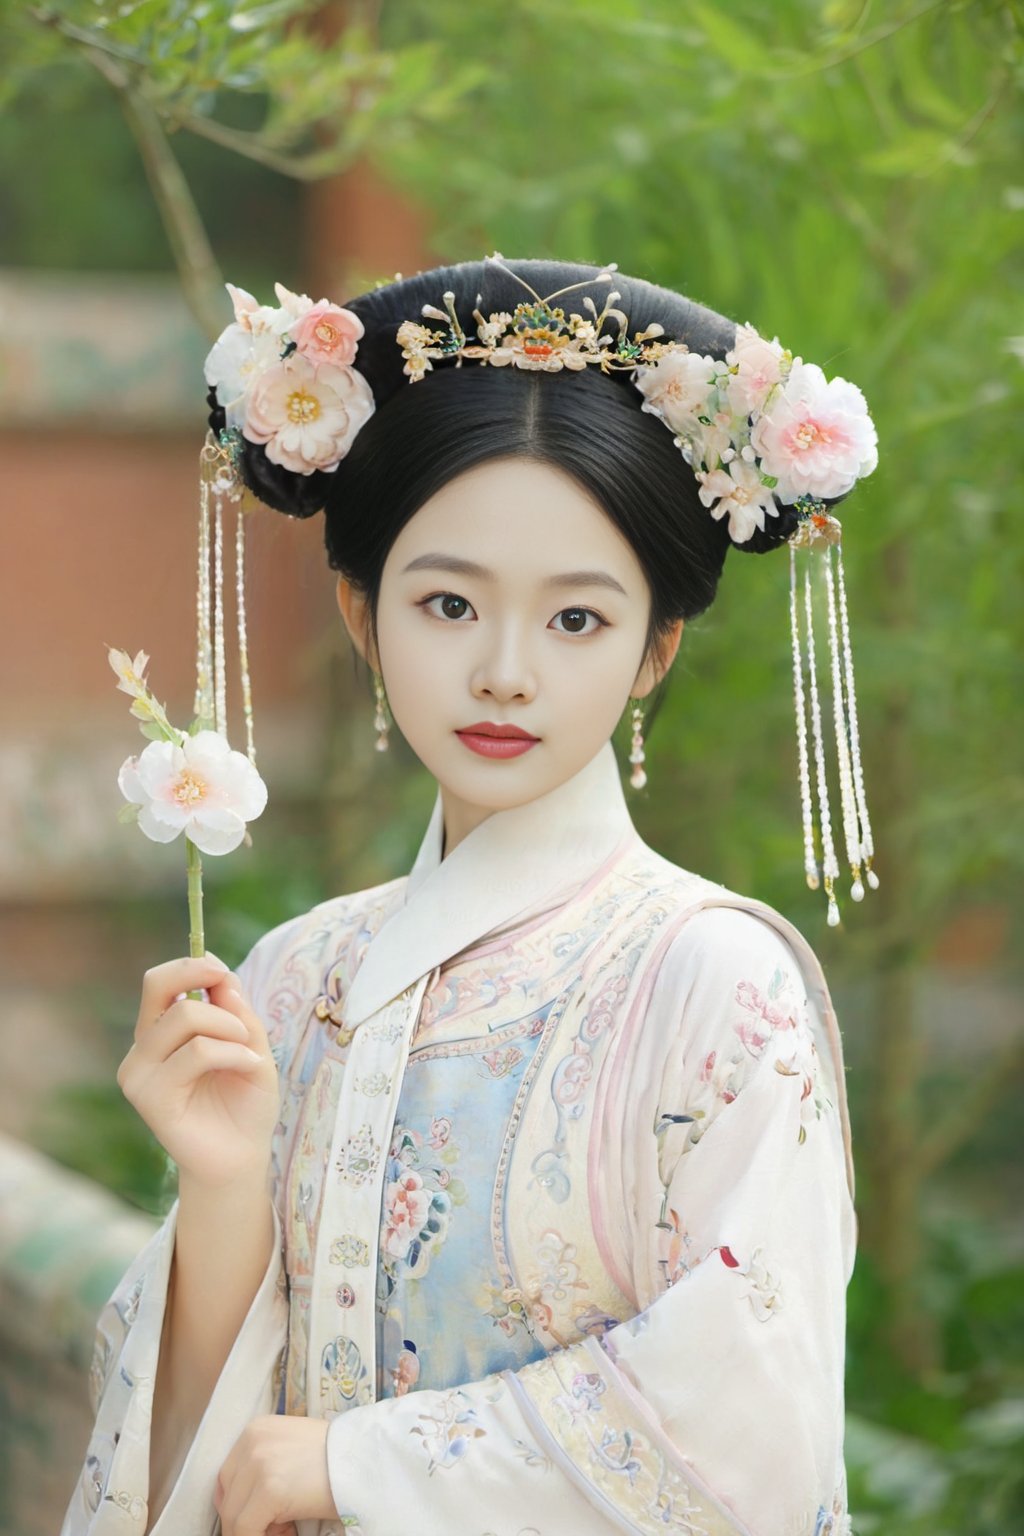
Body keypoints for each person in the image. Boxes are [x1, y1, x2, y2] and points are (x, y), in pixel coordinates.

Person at [63, 256, 865, 1536]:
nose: (502, 674)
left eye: (577, 622)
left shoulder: (716, 983)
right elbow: (215, 1454)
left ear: (655, 647)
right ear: (360, 614)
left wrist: (358, 1466)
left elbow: (751, 1432)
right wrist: (222, 1189)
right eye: (447, 604)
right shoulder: (293, 974)